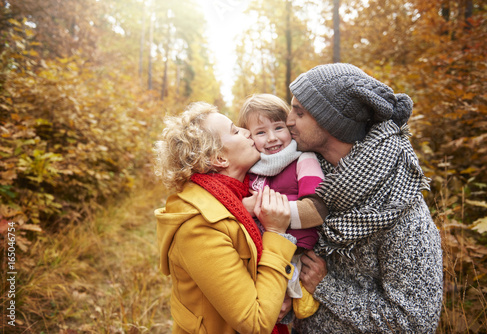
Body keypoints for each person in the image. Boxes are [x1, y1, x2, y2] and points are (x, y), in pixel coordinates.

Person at [285, 63, 444, 333]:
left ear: (330, 121)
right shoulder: (306, 174)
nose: (288, 120)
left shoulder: (399, 206)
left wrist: (328, 288)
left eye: (299, 112)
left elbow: (417, 322)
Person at [154, 102, 297, 333]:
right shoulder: (199, 226)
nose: (246, 132)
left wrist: (279, 291)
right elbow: (256, 322)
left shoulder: (240, 198)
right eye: (234, 131)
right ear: (219, 158)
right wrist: (276, 233)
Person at [238, 94, 324, 320]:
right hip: (259, 252)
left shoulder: (303, 158)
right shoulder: (251, 167)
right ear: (249, 137)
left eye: (278, 127)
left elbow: (317, 209)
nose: (272, 138)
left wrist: (266, 213)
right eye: (260, 132)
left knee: (290, 305)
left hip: (296, 248)